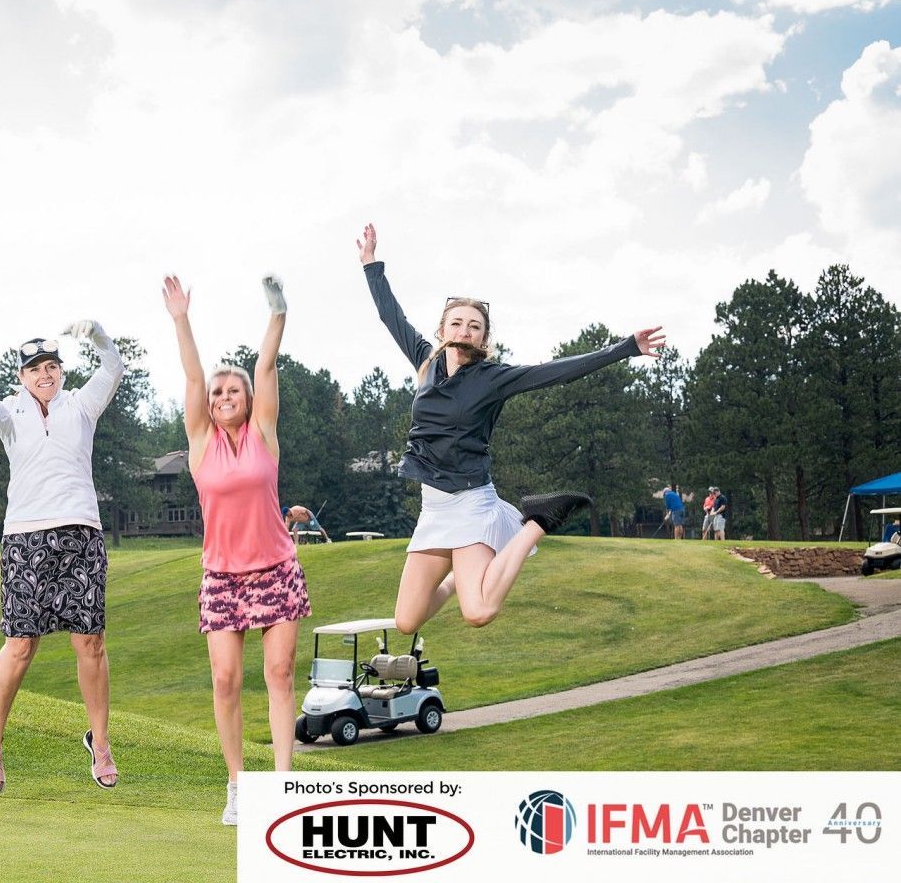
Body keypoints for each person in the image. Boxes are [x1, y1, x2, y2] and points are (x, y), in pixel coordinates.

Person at [356, 223, 664, 634]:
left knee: (479, 611)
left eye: (475, 326)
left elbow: (556, 372)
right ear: (442, 330)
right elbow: (389, 314)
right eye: (457, 323)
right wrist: (371, 264)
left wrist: (625, 348)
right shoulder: (425, 359)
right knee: (407, 621)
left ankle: (537, 522)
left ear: (484, 337)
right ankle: (459, 578)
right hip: (434, 507)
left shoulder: (492, 377)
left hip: (470, 503)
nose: (465, 330)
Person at [0, 322, 124, 794]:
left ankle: (100, 743)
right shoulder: (8, 411)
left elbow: (113, 365)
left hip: (81, 535)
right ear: (21, 376)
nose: (46, 374)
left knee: (90, 643)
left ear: (61, 371)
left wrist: (96, 333)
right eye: (36, 368)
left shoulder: (81, 404)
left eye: (53, 366)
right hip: (25, 539)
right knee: (20, 645)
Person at [163, 273, 310, 827]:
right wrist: (181, 318)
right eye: (218, 392)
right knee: (225, 680)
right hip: (222, 578)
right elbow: (193, 372)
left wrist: (277, 313)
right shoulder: (200, 442)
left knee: (279, 673)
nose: (224, 395)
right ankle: (237, 786)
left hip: (276, 569)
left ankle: (282, 784)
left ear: (249, 399)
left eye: (234, 389)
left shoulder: (264, 434)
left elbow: (268, 366)